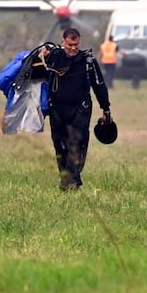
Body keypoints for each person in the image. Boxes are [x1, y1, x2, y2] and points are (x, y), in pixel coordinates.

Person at [39, 28, 112, 191]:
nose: (73, 48)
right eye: (70, 45)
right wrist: (43, 53)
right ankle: (66, 179)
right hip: (57, 109)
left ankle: (72, 181)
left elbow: (99, 85)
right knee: (60, 144)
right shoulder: (53, 57)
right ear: (63, 41)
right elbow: (35, 70)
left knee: (75, 142)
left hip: (80, 108)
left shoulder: (88, 61)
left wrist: (106, 109)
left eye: (76, 45)